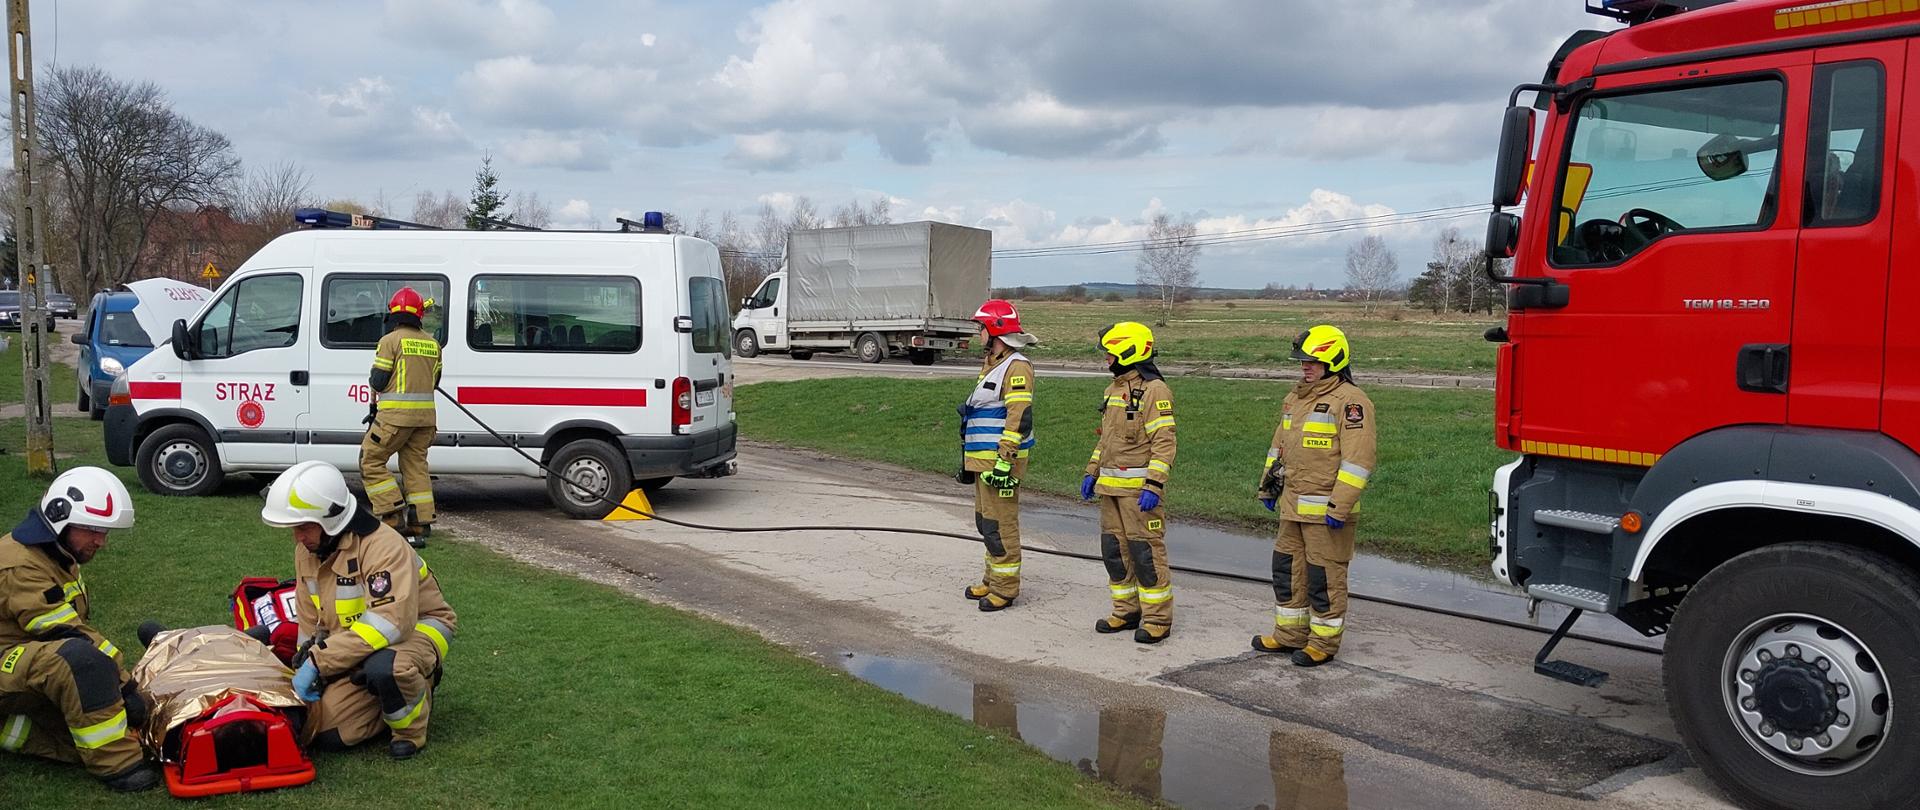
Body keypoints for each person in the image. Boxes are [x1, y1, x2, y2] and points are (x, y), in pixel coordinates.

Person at [260, 461, 458, 760]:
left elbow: (390, 623)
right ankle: (382, 692)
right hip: (357, 641)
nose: (297, 537)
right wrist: (306, 657)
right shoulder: (309, 550)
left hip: (413, 631)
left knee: (385, 668)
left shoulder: (383, 547)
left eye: (303, 527)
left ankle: (410, 726)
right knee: (325, 731)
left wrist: (321, 661)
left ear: (331, 520)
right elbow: (310, 616)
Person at [0, 468, 156, 791]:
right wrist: (125, 687)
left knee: (86, 707)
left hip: (17, 661)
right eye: (93, 530)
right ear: (59, 517)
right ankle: (118, 765)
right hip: (11, 663)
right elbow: (65, 632)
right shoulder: (21, 566)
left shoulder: (56, 552)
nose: (101, 541)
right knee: (78, 660)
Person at [1251, 325, 1376, 666]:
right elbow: (1279, 446)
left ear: (1333, 361)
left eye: (1312, 361)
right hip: (1292, 506)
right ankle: (1290, 635)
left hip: (1326, 512)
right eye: (1302, 361)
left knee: (1324, 577)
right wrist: (1268, 484)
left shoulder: (1351, 402)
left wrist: (1340, 505)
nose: (1305, 367)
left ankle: (1323, 643)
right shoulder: (1295, 399)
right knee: (1288, 570)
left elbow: (1358, 460)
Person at [1083, 322, 1178, 644]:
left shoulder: (1155, 391)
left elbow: (1164, 442)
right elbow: (1107, 439)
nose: (1107, 359)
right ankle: (1125, 611)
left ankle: (1157, 619)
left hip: (1138, 493)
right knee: (1114, 552)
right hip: (1109, 488)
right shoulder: (1113, 390)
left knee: (1145, 554)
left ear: (1128, 352)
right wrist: (1092, 470)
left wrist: (1154, 484)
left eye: (1111, 353)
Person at [960, 300, 1038, 612]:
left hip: (999, 461)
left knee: (1001, 524)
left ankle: (1005, 589)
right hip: (983, 460)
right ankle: (992, 579)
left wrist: (1006, 459)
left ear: (995, 331)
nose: (978, 333)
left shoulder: (1016, 366)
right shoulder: (994, 363)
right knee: (985, 522)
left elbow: (1018, 415)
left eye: (981, 328)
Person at [360, 287, 442, 548]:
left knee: (370, 460)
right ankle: (420, 521)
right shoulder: (433, 343)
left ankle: (392, 515)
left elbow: (379, 380)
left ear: (393, 315)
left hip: (394, 419)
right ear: (419, 315)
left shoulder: (389, 341)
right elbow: (435, 381)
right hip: (425, 421)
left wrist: (374, 375)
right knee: (415, 467)